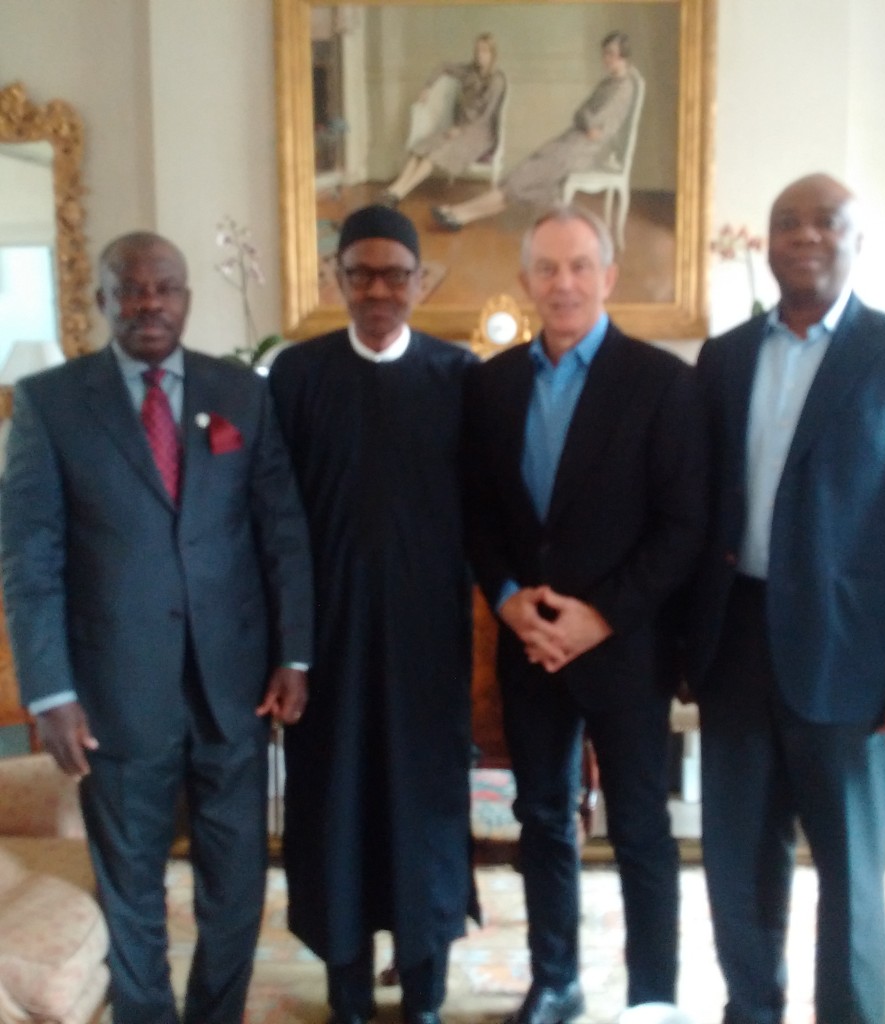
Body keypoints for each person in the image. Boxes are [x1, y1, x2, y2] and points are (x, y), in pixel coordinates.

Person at [0, 231, 314, 1024]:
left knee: (235, 886)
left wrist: (295, 653)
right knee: (131, 886)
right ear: (101, 300)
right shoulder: (49, 403)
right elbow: (30, 559)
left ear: (185, 297)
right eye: (130, 289)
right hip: (113, 695)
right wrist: (50, 692)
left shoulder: (240, 393)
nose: (149, 303)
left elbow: (281, 532)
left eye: (164, 287)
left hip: (234, 688)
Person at [686, 173, 885, 1024]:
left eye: (826, 222)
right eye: (787, 223)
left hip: (855, 664)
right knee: (738, 865)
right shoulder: (724, 358)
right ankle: (751, 1009)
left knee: (850, 876)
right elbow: (703, 509)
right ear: (768, 241)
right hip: (736, 647)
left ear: (858, 241)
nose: (805, 236)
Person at [463, 205, 707, 1023]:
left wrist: (599, 618)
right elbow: (478, 513)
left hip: (625, 647)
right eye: (547, 268)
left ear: (608, 276)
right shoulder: (492, 384)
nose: (563, 283)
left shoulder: (662, 383)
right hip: (529, 645)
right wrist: (508, 601)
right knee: (542, 818)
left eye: (579, 266)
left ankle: (651, 999)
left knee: (639, 826)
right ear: (526, 280)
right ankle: (555, 980)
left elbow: (683, 527)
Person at [268, 205, 478, 1024]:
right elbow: (275, 516)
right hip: (327, 643)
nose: (379, 290)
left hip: (428, 643)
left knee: (425, 812)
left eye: (396, 275)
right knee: (336, 810)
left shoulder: (459, 376)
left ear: (421, 282)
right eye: (361, 274)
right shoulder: (298, 375)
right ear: (338, 280)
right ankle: (347, 992)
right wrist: (288, 646)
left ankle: (425, 991)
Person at [431, 32, 638, 231]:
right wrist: (586, 120)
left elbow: (594, 125)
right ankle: (461, 214)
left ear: (624, 55)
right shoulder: (609, 83)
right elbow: (580, 114)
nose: (606, 58)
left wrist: (586, 121)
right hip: (572, 142)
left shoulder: (623, 88)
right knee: (519, 178)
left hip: (582, 151)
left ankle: (459, 213)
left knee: (520, 180)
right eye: (605, 53)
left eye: (611, 53)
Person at [381, 32, 506, 207]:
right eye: (477, 50)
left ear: (493, 54)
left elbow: (485, 117)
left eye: (484, 51)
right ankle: (395, 188)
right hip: (459, 127)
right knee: (423, 147)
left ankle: (400, 193)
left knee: (435, 155)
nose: (480, 55)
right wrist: (427, 87)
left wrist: (461, 130)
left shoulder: (496, 80)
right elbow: (443, 66)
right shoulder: (468, 71)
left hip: (479, 134)